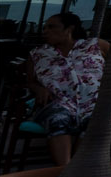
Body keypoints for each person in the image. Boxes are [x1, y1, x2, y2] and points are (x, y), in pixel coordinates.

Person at [26, 12, 104, 168]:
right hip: (58, 102)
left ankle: (78, 170)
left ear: (69, 29)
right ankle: (65, 170)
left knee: (95, 122)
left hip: (93, 102)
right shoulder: (38, 54)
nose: (45, 31)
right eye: (45, 27)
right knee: (58, 119)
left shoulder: (94, 45)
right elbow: (29, 81)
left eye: (51, 26)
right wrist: (38, 88)